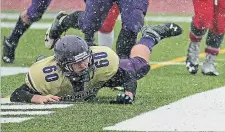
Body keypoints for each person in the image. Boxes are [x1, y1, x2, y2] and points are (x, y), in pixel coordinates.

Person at [10, 23, 183, 104]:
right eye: (78, 63)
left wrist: (129, 94)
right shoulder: (47, 76)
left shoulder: (98, 63)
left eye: (86, 59)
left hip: (96, 81)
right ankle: (42, 58)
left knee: (138, 67)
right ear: (64, 65)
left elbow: (128, 76)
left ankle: (150, 36)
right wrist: (37, 97)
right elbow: (16, 94)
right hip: (65, 79)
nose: (85, 65)